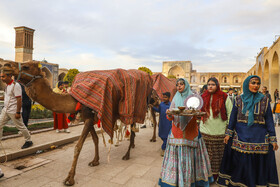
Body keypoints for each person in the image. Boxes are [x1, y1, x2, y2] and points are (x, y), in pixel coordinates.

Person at [217, 75, 279, 186]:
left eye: (258, 83)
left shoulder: (265, 99)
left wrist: (273, 138)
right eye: (253, 83)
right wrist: (228, 133)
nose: (256, 86)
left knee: (257, 164)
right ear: (247, 84)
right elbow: (233, 118)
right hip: (241, 135)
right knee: (240, 163)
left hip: (259, 137)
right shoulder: (238, 99)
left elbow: (269, 119)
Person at [158, 78, 213, 187]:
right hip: (176, 132)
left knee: (190, 155)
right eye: (177, 84)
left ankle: (191, 181)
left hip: (190, 132)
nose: (179, 86)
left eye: (181, 84)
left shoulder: (193, 99)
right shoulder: (174, 99)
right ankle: (174, 181)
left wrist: (196, 114)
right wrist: (169, 114)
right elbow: (171, 117)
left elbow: (198, 114)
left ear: (186, 85)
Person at [200, 77, 233, 180]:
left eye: (213, 84)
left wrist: (228, 130)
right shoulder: (203, 96)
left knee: (218, 157)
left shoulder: (224, 96)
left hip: (219, 131)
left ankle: (217, 176)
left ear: (217, 86)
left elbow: (231, 113)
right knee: (205, 155)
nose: (210, 86)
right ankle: (206, 176)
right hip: (205, 130)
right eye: (209, 84)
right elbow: (198, 111)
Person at [0, 71, 33, 149]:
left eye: (3, 77)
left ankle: (28, 141)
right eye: (1, 76)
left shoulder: (15, 85)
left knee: (21, 126)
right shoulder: (7, 86)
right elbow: (7, 97)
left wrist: (18, 112)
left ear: (9, 76)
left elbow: (19, 99)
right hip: (6, 110)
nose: (1, 78)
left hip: (13, 110)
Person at [152, 92, 172, 156]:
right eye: (163, 97)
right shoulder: (161, 104)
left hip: (168, 124)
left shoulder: (171, 105)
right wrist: (152, 107)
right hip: (162, 123)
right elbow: (159, 110)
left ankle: (163, 149)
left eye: (165, 97)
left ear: (169, 98)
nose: (164, 98)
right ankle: (166, 146)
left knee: (167, 137)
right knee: (161, 135)